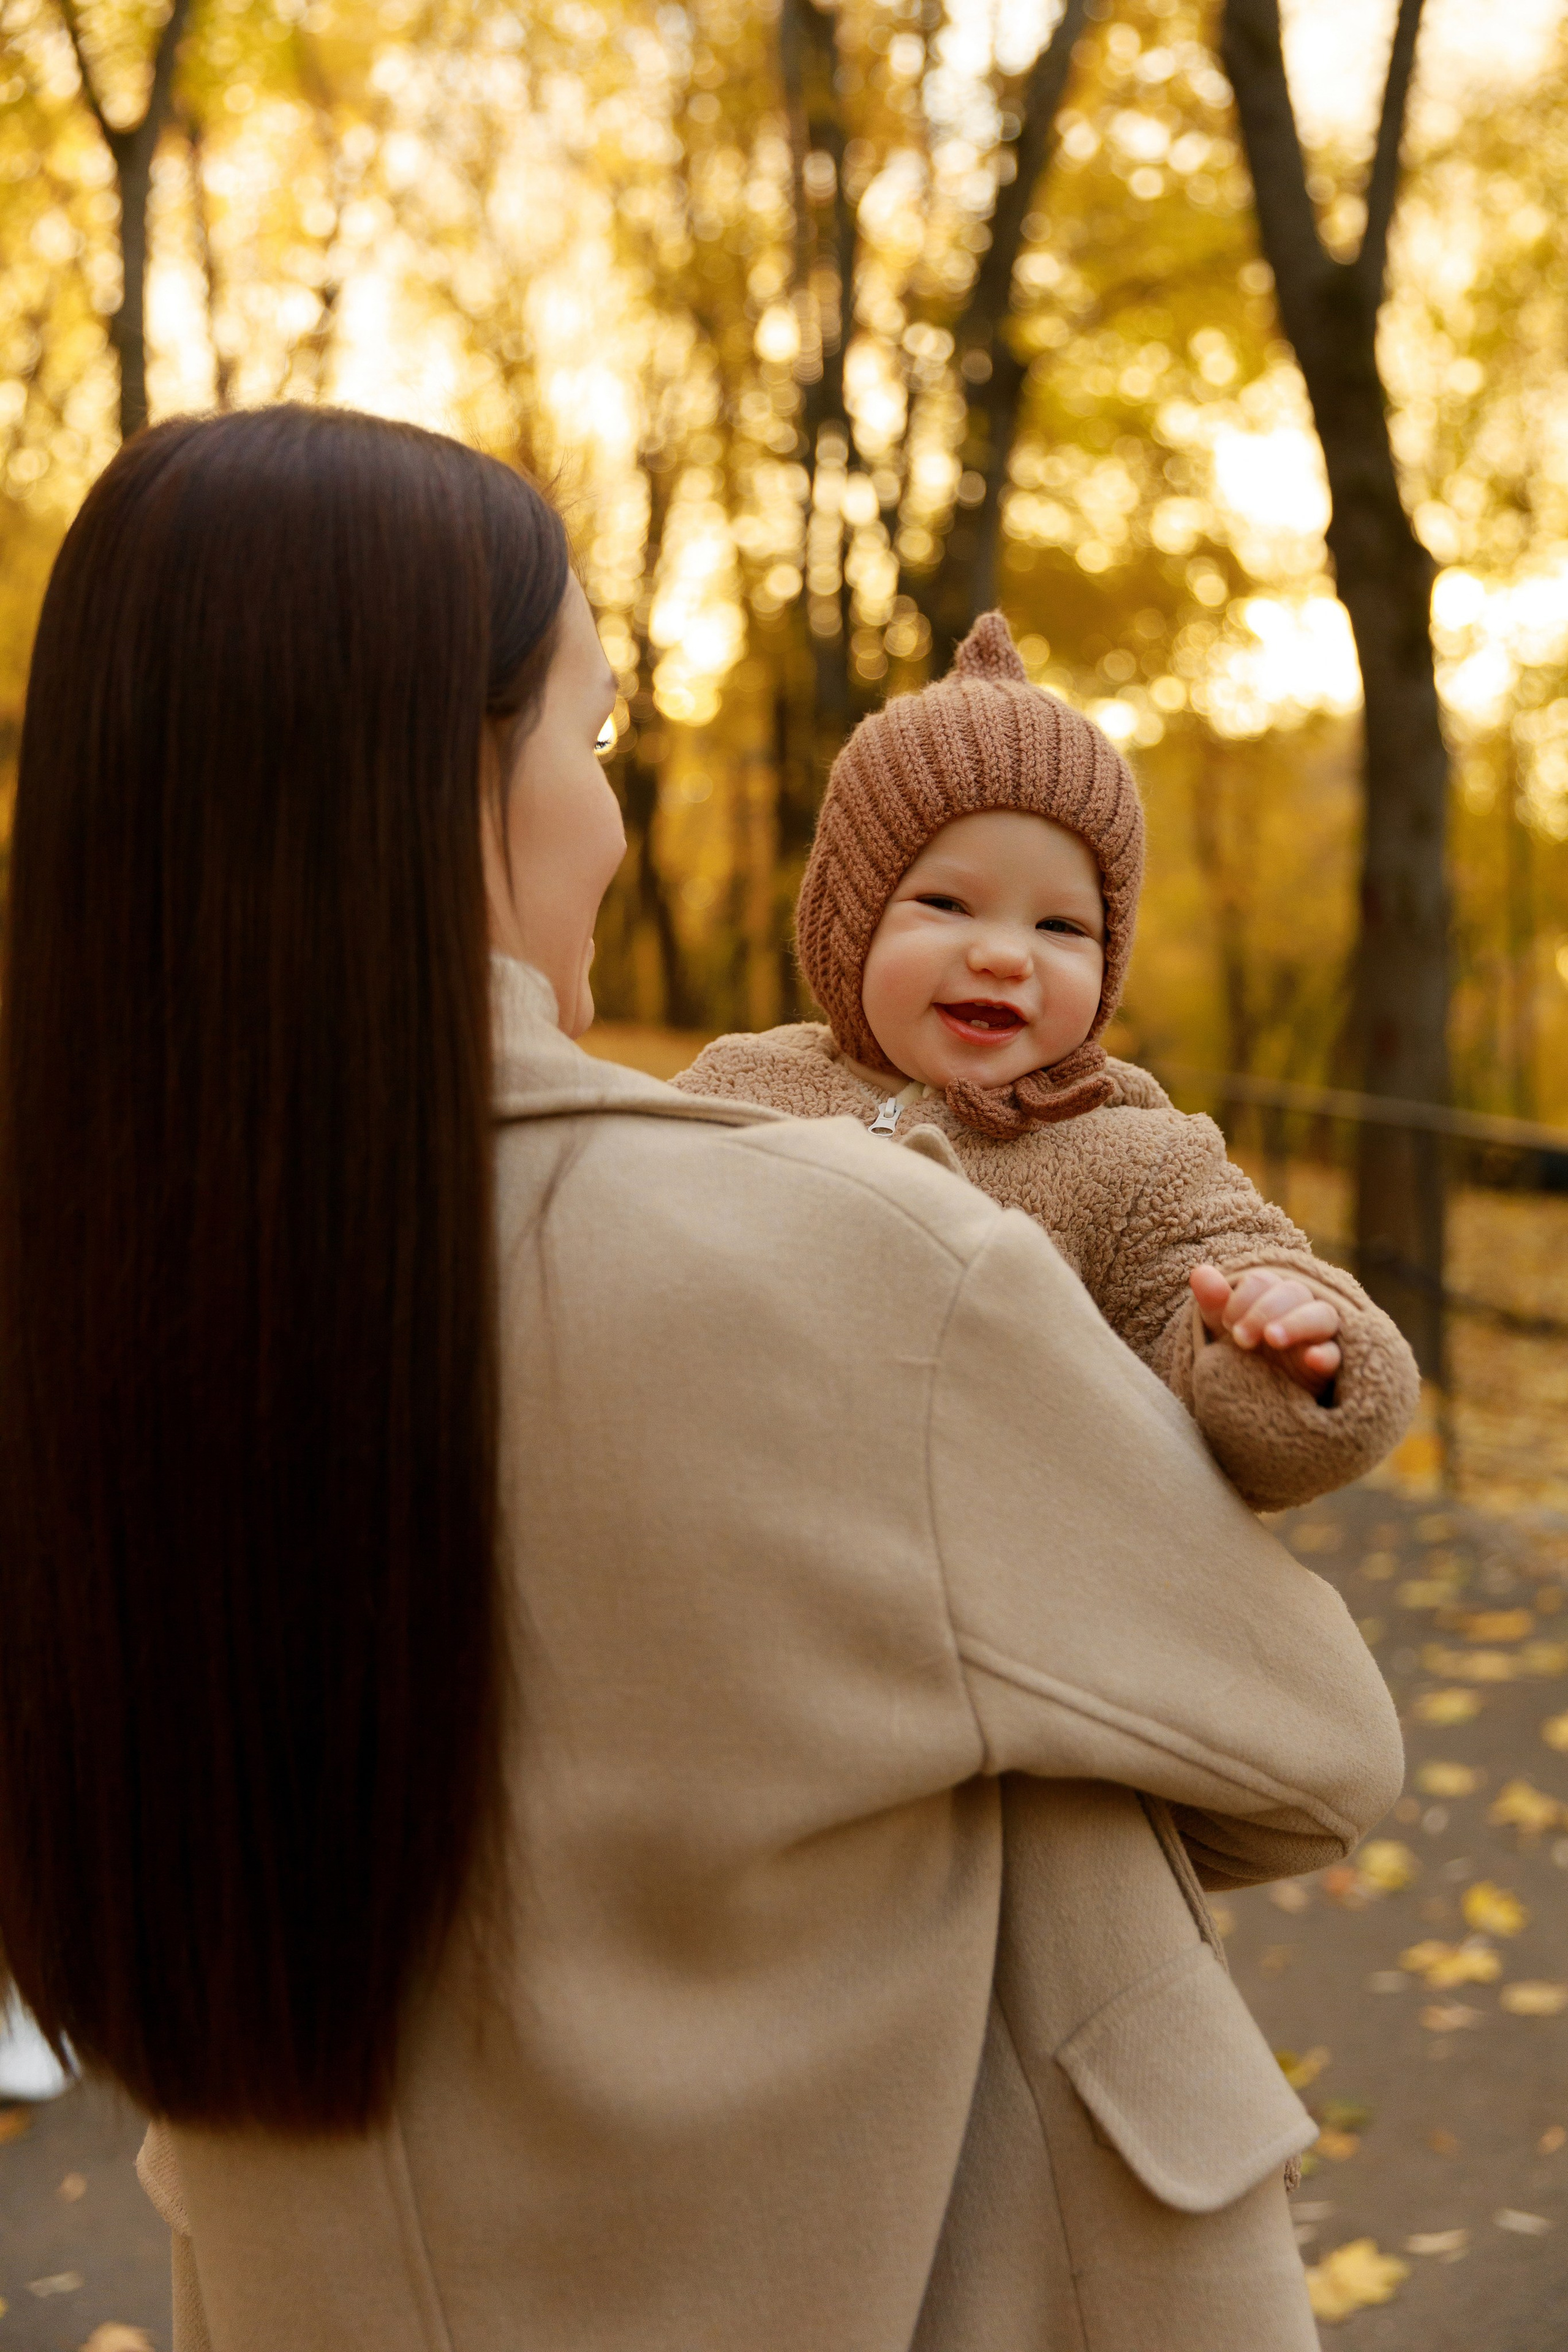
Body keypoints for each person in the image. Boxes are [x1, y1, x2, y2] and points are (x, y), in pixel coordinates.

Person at [0, 407, 1403, 2352]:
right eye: (585, 744)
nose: (615, 820)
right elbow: (1310, 1740)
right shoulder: (860, 1264)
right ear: (434, 781)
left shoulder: (72, 1312)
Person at [674, 610, 1420, 1513]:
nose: (1005, 955)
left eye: (1061, 926)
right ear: (850, 917)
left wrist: (1276, 1345)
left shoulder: (1135, 1158)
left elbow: (1217, 1269)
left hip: (992, 1593)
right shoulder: (738, 1087)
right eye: (947, 903)